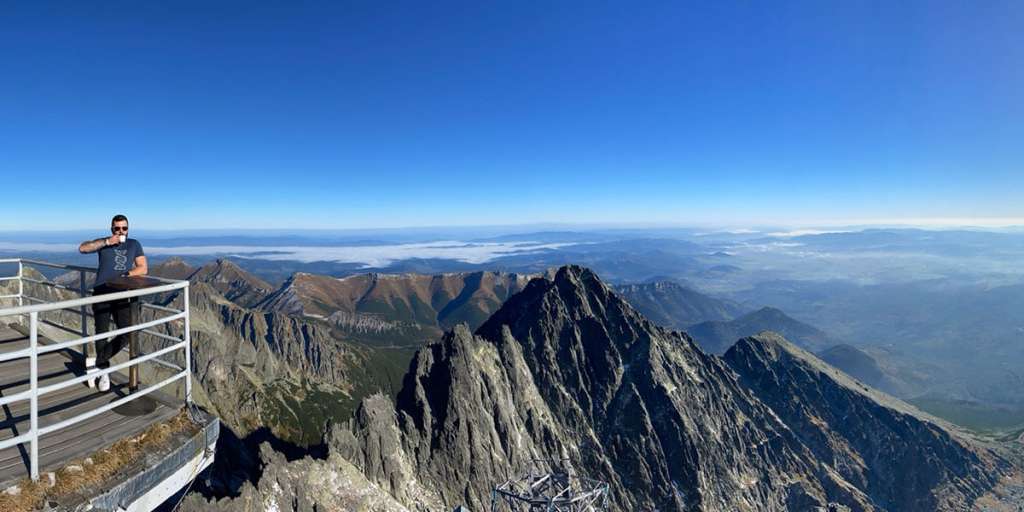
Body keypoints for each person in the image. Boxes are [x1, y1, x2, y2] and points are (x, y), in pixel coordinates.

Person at [78, 214, 148, 392]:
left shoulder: (134, 244)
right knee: (102, 333)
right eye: (117, 228)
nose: (121, 231)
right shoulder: (103, 242)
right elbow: (83, 248)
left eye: (124, 228)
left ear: (128, 229)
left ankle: (97, 361)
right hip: (101, 292)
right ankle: (103, 372)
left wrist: (126, 275)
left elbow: (143, 268)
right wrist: (107, 242)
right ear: (112, 229)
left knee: (127, 332)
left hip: (123, 293)